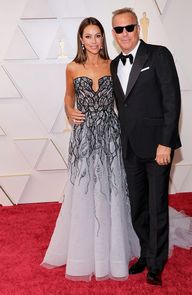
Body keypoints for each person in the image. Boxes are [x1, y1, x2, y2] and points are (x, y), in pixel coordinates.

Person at [110, 8, 192, 286]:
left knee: (157, 205)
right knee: (137, 207)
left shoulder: (159, 55)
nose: (125, 33)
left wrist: (166, 142)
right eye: (119, 29)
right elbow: (123, 107)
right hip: (130, 148)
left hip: (157, 149)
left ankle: (156, 262)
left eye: (129, 27)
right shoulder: (114, 64)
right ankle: (145, 253)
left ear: (138, 29)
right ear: (114, 33)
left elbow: (171, 101)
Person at [41, 17, 140, 281]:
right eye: (88, 36)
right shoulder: (72, 67)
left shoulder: (113, 65)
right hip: (84, 135)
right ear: (81, 40)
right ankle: (86, 250)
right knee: (86, 188)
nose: (94, 41)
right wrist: (69, 110)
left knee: (110, 187)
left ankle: (113, 247)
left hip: (109, 133)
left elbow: (126, 99)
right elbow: (68, 96)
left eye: (98, 36)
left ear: (103, 38)